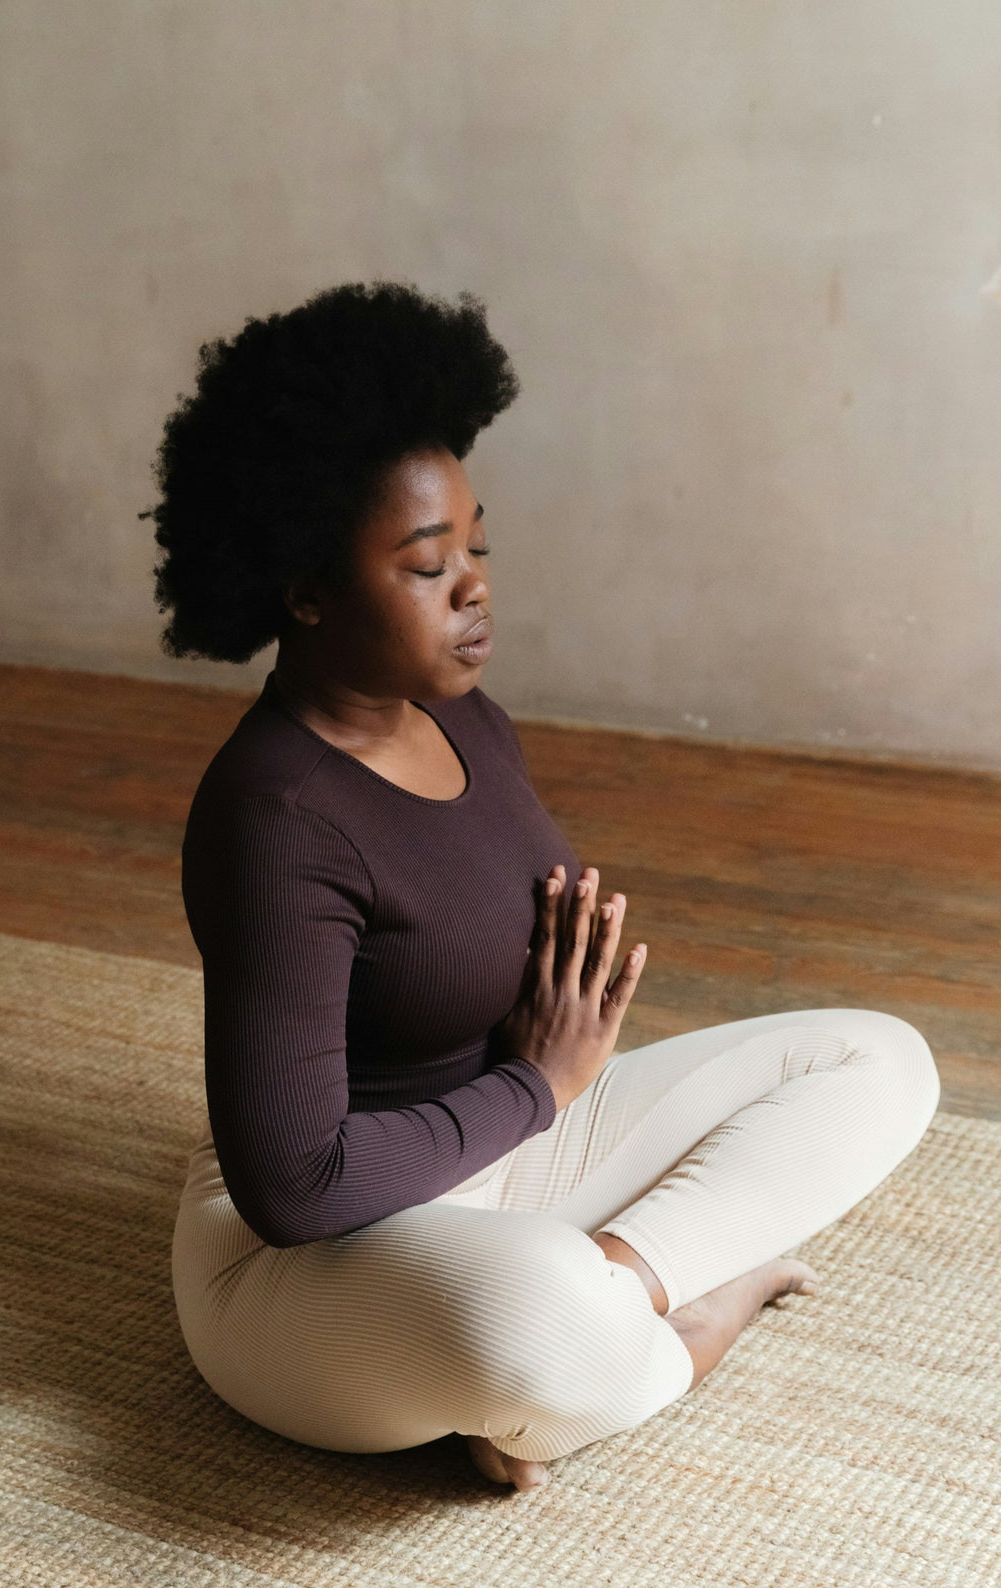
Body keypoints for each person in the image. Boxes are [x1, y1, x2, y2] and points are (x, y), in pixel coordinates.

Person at [147, 281, 941, 1493]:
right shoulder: (274, 817)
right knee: (535, 1305)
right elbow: (295, 1187)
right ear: (303, 588)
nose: (473, 587)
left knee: (881, 1060)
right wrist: (540, 1082)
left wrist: (546, 1089)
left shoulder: (468, 724)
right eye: (426, 564)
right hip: (305, 1262)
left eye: (476, 546)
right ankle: (678, 1328)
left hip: (512, 1148)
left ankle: (610, 1307)